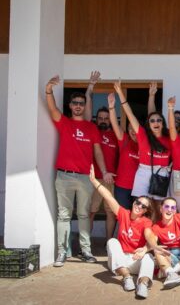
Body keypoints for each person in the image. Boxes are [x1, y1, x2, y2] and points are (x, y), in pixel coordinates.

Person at [45, 75, 114, 267]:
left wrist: (105, 171)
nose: (78, 105)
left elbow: (98, 152)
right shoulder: (64, 122)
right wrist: (48, 90)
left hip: (85, 178)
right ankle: (62, 253)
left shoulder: (91, 128)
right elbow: (52, 108)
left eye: (81, 103)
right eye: (75, 103)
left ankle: (86, 251)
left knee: (84, 215)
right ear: (70, 105)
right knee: (64, 215)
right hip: (64, 175)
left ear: (84, 106)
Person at [89, 165, 154, 299]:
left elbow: (150, 237)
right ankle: (126, 277)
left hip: (136, 259)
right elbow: (109, 197)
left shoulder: (146, 221)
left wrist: (145, 249)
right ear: (133, 202)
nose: (139, 206)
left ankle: (143, 284)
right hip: (120, 261)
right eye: (138, 202)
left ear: (145, 211)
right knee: (112, 241)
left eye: (143, 206)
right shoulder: (123, 213)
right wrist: (95, 181)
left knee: (149, 257)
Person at [115, 80, 171, 219]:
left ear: (163, 123)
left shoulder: (169, 137)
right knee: (140, 207)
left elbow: (153, 114)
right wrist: (121, 94)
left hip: (161, 175)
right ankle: (137, 236)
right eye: (152, 121)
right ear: (148, 124)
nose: (155, 123)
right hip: (144, 173)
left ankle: (154, 236)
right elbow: (129, 114)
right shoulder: (143, 136)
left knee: (158, 209)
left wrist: (153, 97)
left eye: (159, 120)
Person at [105, 93, 140, 233]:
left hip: (139, 188)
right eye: (130, 128)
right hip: (122, 187)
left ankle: (134, 242)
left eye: (134, 128)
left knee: (137, 217)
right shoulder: (124, 140)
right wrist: (112, 107)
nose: (132, 131)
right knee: (123, 216)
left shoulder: (145, 144)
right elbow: (114, 124)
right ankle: (122, 242)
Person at [88, 105, 119, 241]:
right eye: (100, 118)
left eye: (106, 118)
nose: (103, 121)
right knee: (91, 212)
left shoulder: (116, 136)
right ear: (96, 119)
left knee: (110, 212)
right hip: (94, 179)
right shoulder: (92, 132)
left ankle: (108, 243)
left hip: (111, 180)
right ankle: (86, 245)